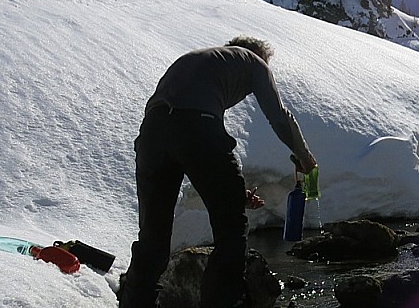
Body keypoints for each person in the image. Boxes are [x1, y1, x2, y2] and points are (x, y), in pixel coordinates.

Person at [120, 36, 318, 308]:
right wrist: (305, 160)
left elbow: (179, 140)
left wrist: (233, 193)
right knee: (231, 234)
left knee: (153, 240)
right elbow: (279, 117)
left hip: (152, 133)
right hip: (198, 127)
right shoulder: (254, 62)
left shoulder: (198, 60)